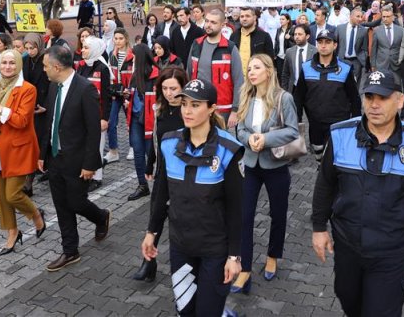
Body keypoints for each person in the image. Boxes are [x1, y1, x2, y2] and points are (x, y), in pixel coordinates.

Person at [311, 69, 404, 317]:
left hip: (392, 250)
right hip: (347, 246)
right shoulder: (340, 136)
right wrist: (318, 227)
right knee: (348, 298)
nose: (374, 104)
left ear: (400, 101)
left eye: (382, 97)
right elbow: (325, 184)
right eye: (369, 97)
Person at [141, 78, 244, 317]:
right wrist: (151, 232)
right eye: (184, 103)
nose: (187, 110)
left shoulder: (229, 150)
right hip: (181, 246)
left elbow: (237, 209)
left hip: (215, 250)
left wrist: (234, 256)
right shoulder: (168, 142)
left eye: (196, 105)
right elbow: (160, 194)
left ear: (212, 108)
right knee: (185, 312)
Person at [231, 54, 299, 294]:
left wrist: (266, 139)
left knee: (278, 214)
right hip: (250, 164)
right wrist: (248, 139)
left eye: (256, 68)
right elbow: (239, 128)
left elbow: (293, 130)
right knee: (244, 217)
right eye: (249, 68)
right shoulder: (246, 96)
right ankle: (246, 269)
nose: (251, 72)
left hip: (276, 166)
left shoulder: (284, 98)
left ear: (268, 71)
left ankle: (273, 255)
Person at [39, 46, 110, 272]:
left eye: (45, 66)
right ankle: (70, 250)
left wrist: (90, 164)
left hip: (77, 159)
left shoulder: (85, 89)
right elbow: (50, 123)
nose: (44, 70)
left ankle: (100, 217)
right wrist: (43, 153)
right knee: (61, 205)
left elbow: (93, 130)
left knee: (76, 202)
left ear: (57, 67)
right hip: (55, 157)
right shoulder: (53, 87)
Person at [0, 49, 47, 255]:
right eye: (4, 63)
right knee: (1, 196)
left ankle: (36, 215)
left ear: (18, 65)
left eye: (12, 63)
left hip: (18, 149)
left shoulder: (28, 89)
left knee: (12, 194)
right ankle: (12, 232)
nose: (7, 66)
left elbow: (21, 121)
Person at [133, 67, 188, 282]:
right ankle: (148, 262)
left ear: (183, 87)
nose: (168, 92)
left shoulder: (189, 111)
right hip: (163, 172)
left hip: (183, 175)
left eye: (173, 88)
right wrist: (150, 164)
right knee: (155, 215)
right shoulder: (161, 109)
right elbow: (156, 140)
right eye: (164, 88)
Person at [294, 29, 359, 161]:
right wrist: (297, 119)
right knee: (319, 156)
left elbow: (354, 98)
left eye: (328, 42)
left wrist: (357, 121)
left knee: (336, 157)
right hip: (315, 123)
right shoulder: (306, 68)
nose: (323, 45)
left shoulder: (345, 68)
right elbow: (299, 96)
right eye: (320, 42)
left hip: (338, 123)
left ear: (334, 45)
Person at [186, 8, 245, 129]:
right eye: (207, 21)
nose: (208, 25)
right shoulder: (196, 44)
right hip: (199, 106)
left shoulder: (230, 48)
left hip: (222, 110)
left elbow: (239, 81)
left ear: (223, 25)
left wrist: (235, 110)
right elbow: (189, 74)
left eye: (213, 22)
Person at [123, 44, 160, 201]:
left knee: (151, 154)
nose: (133, 59)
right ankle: (142, 185)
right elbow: (134, 96)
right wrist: (127, 97)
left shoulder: (157, 75)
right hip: (137, 119)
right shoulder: (135, 75)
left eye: (135, 57)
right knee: (138, 152)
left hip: (151, 121)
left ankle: (160, 186)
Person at [76, 36, 112, 190]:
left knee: (97, 145)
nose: (82, 50)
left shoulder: (102, 68)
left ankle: (97, 177)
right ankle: (87, 173)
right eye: (83, 47)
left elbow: (106, 96)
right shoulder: (81, 66)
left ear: (95, 49)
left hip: (97, 115)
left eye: (86, 47)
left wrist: (105, 118)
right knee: (85, 145)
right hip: (83, 114)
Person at [22, 33, 50, 196]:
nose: (30, 51)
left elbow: (53, 83)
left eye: (32, 48)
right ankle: (28, 182)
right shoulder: (25, 60)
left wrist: (46, 105)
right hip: (30, 106)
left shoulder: (46, 59)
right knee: (32, 144)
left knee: (42, 142)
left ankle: (36, 176)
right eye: (27, 48)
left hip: (44, 105)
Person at [105, 28, 133, 164]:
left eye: (120, 38)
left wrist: (130, 91)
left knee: (131, 122)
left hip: (129, 93)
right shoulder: (112, 55)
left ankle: (133, 147)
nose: (118, 41)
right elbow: (111, 75)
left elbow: (135, 76)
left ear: (126, 39)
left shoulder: (133, 55)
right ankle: (113, 151)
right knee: (111, 122)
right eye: (115, 38)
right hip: (116, 93)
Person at [230, 7, 275, 77]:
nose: (244, 18)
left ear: (254, 18)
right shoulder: (234, 36)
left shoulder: (264, 36)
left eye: (247, 16)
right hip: (238, 79)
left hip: (257, 79)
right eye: (242, 16)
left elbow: (270, 60)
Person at [336, 7, 369, 87]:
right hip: (342, 60)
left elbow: (365, 48)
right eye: (358, 16)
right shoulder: (340, 28)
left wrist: (362, 60)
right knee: (340, 83)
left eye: (361, 17)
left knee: (354, 85)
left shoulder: (363, 31)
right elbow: (336, 45)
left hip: (356, 62)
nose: (360, 19)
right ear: (351, 16)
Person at [280, 24, 314, 93]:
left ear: (307, 36)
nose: (297, 37)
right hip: (293, 89)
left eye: (300, 34)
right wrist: (285, 91)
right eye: (295, 34)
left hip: (310, 90)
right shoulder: (289, 51)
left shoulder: (315, 51)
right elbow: (285, 74)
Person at [370, 6, 403, 73]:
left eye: (388, 17)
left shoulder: (401, 30)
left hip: (396, 64)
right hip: (381, 64)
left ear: (393, 17)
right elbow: (374, 49)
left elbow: (402, 47)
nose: (385, 19)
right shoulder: (377, 30)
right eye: (383, 17)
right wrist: (373, 65)